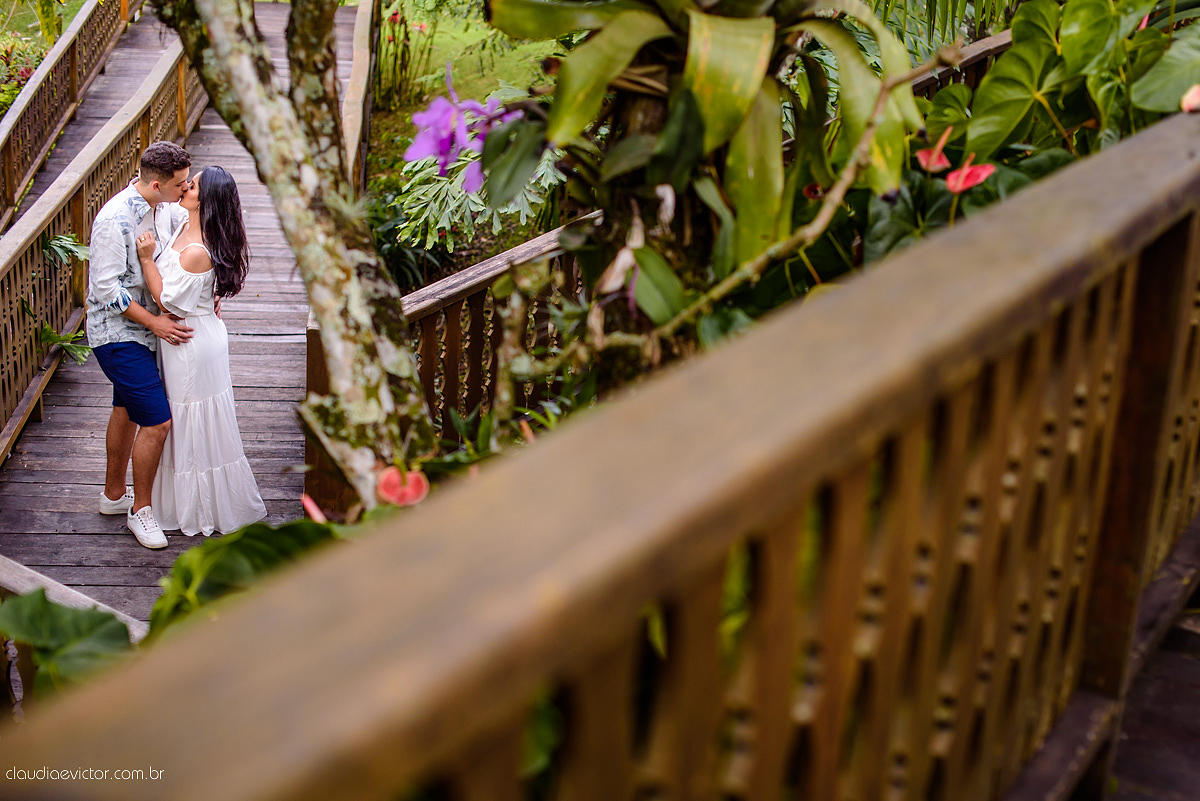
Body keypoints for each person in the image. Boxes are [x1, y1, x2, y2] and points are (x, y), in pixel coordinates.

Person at [135, 166, 267, 536]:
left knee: (190, 418)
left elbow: (169, 304)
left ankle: (196, 506)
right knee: (184, 418)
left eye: (191, 185)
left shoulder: (197, 249)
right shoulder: (185, 222)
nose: (185, 186)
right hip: (195, 329)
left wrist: (147, 260)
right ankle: (179, 498)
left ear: (203, 200)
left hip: (189, 340)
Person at [87, 141, 193, 549]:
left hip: (147, 329)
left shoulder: (164, 206)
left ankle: (114, 496)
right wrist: (156, 323)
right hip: (117, 335)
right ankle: (142, 511)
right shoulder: (116, 219)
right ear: (154, 183)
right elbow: (105, 289)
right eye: (180, 185)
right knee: (157, 421)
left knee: (126, 410)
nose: (184, 191)